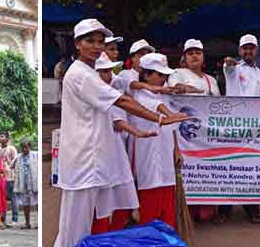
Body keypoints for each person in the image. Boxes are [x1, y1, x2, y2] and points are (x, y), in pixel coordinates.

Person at [42, 19, 187, 247]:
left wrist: (153, 122)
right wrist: (160, 119)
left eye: (100, 42)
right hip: (85, 157)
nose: (96, 47)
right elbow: (122, 101)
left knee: (85, 216)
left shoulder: (89, 73)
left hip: (97, 155)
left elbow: (123, 102)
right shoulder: (81, 74)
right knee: (78, 220)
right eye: (90, 41)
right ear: (77, 44)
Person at [129, 53, 187, 229]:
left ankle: (167, 245)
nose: (163, 79)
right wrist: (171, 115)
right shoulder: (138, 98)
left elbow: (172, 128)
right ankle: (150, 246)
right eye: (159, 75)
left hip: (167, 161)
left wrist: (176, 150)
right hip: (149, 161)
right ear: (146, 75)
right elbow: (159, 109)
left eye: (165, 76)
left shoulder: (164, 97)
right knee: (151, 208)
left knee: (168, 208)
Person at [92, 53, 147, 233]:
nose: (109, 75)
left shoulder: (112, 89)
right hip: (99, 151)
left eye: (110, 71)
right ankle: (99, 235)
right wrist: (138, 130)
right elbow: (118, 119)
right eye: (104, 71)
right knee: (101, 198)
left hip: (115, 147)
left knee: (121, 192)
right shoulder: (96, 94)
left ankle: (114, 232)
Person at [167, 39, 220, 223]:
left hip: (207, 136)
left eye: (198, 52)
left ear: (203, 56)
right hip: (186, 135)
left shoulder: (211, 80)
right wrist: (193, 90)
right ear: (184, 57)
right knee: (189, 172)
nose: (195, 55)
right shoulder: (177, 73)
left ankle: (206, 210)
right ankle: (186, 212)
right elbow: (175, 89)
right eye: (190, 53)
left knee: (207, 170)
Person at [222, 34, 260, 224]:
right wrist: (230, 63)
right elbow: (229, 67)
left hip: (254, 129)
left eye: (251, 48)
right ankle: (224, 211)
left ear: (256, 50)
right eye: (245, 48)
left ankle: (252, 209)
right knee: (229, 168)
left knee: (251, 168)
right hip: (233, 127)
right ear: (240, 50)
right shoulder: (234, 69)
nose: (248, 51)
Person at [13, 139, 39, 229]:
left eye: (26, 147)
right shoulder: (19, 157)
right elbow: (11, 165)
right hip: (23, 183)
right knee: (25, 203)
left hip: (34, 182)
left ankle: (39, 223)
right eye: (23, 148)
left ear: (30, 147)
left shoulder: (36, 155)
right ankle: (27, 223)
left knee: (37, 202)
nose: (24, 149)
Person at [0, 131, 19, 224]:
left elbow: (16, 161)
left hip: (10, 177)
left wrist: (13, 174)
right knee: (2, 198)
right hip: (1, 177)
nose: (0, 138)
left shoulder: (11, 149)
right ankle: (3, 218)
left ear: (7, 139)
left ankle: (15, 219)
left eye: (2, 136)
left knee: (13, 198)